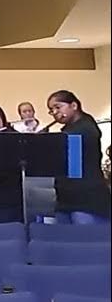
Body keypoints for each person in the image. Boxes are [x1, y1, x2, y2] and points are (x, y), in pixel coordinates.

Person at [47, 90, 109, 224]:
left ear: (74, 106)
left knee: (87, 239)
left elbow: (72, 161)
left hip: (87, 199)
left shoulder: (86, 128)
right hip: (66, 199)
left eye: (58, 107)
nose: (55, 113)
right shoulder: (69, 129)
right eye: (51, 110)